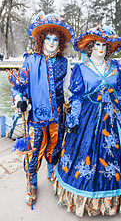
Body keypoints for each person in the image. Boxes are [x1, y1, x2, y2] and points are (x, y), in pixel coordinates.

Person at [52, 25, 121, 217]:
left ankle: (115, 195)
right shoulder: (81, 69)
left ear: (108, 48)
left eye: (104, 45)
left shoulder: (115, 67)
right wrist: (74, 118)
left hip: (112, 119)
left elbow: (119, 91)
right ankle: (84, 196)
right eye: (97, 44)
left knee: (115, 157)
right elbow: (76, 97)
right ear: (90, 47)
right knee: (85, 154)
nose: (101, 48)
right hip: (88, 119)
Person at [12, 11, 75, 206]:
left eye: (56, 39)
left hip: (57, 116)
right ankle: (31, 185)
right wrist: (19, 100)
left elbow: (70, 89)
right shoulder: (30, 60)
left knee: (55, 149)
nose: (51, 42)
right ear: (41, 40)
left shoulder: (65, 63)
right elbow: (18, 87)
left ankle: (51, 175)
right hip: (35, 117)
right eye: (48, 38)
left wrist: (76, 102)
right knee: (33, 153)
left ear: (60, 43)